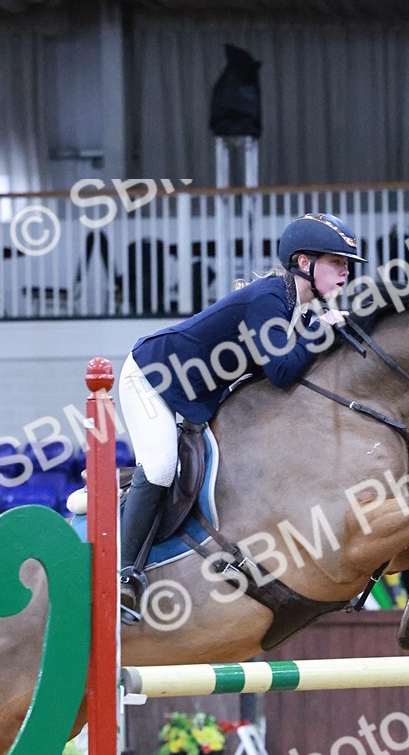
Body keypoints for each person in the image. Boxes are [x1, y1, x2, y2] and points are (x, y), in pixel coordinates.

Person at [117, 212, 366, 620]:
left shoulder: (297, 311)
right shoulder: (269, 299)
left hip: (193, 394)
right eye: (337, 263)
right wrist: (323, 330)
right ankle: (122, 575)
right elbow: (281, 371)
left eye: (346, 265)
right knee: (160, 467)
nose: (345, 273)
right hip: (152, 378)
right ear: (304, 263)